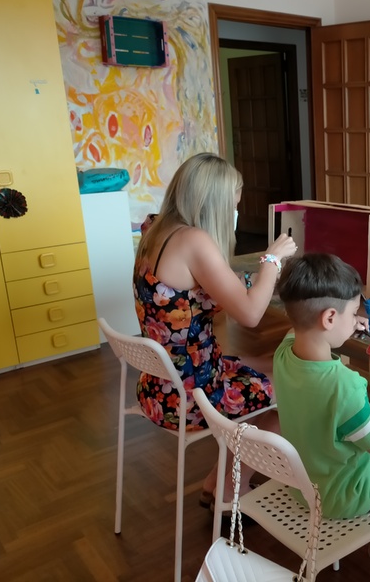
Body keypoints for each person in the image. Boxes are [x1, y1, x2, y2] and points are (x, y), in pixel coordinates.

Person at [133, 152, 296, 503]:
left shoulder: (156, 228)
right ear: (215, 204)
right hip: (191, 395)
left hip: (161, 382)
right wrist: (272, 260)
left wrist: (244, 282)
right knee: (294, 388)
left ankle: (218, 479)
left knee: (278, 365)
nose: (235, 212)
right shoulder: (195, 241)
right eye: (233, 205)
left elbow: (194, 291)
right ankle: (228, 486)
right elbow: (250, 315)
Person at [273, 253, 370, 561]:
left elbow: (300, 328)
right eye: (354, 312)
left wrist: (345, 324)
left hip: (302, 485)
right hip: (347, 494)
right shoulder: (344, 386)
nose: (357, 319)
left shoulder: (284, 352)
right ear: (329, 318)